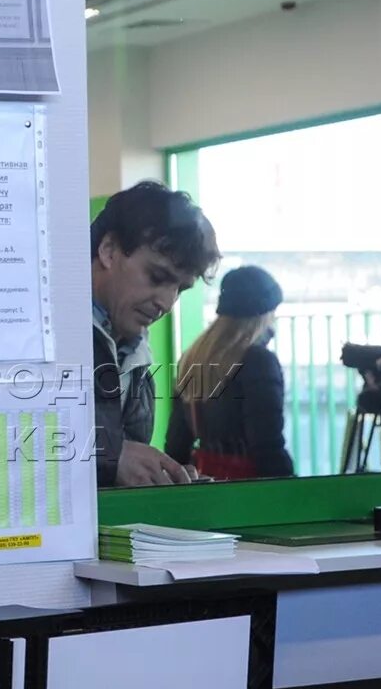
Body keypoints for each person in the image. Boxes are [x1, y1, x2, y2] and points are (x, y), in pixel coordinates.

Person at [91, 181, 221, 487]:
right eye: (157, 277)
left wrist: (163, 479)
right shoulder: (31, 333)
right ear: (109, 250)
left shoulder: (133, 355)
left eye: (180, 289)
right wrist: (111, 457)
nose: (166, 302)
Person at [165, 266, 295, 480]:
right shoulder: (258, 362)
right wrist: (294, 495)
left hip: (207, 488)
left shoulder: (193, 358)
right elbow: (267, 446)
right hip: (248, 495)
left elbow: (177, 446)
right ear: (263, 313)